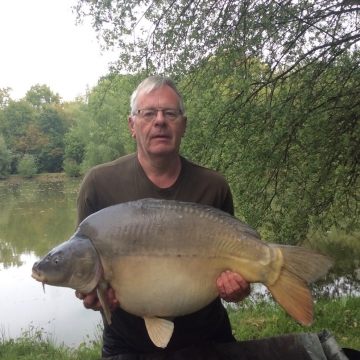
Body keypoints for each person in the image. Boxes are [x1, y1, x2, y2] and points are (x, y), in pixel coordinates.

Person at [75, 75, 250, 358]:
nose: (159, 121)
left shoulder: (213, 185)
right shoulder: (98, 184)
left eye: (170, 113)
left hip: (208, 337)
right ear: (132, 125)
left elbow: (234, 264)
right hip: (127, 343)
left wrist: (238, 288)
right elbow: (82, 264)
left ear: (183, 125)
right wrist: (90, 295)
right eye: (148, 113)